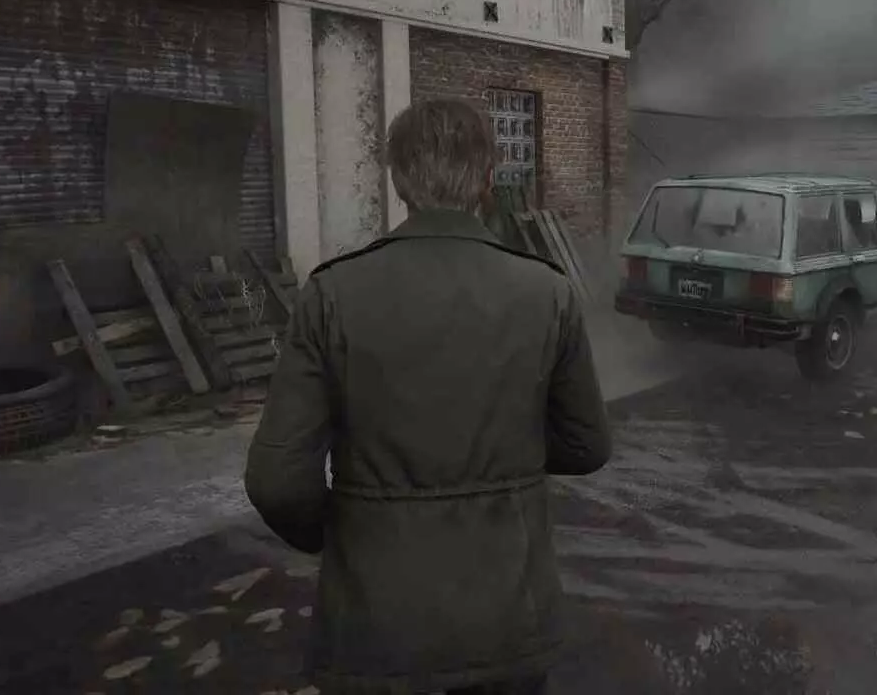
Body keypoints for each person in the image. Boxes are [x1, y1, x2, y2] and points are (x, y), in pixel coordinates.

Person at [244, 98, 612, 695]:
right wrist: (507, 459)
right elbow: (587, 445)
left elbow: (277, 481)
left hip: (375, 620)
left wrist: (341, 536)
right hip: (507, 615)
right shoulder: (546, 292)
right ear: (489, 178)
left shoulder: (332, 294)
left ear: (397, 180)